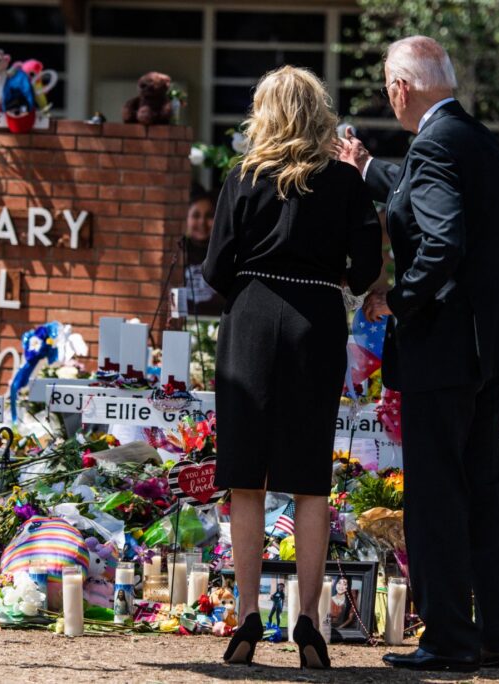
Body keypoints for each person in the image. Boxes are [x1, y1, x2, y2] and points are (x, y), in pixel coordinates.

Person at [338, 36, 499, 672]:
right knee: (482, 493)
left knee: (437, 498)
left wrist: (399, 300)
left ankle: (449, 637)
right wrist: (368, 169)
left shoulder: (435, 144)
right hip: (485, 349)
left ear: (400, 89)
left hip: (443, 349)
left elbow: (440, 239)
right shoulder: (479, 139)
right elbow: (423, 195)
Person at [204, 65, 382, 669]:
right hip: (315, 320)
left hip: (252, 315)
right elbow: (363, 272)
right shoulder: (345, 183)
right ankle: (309, 621)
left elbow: (214, 269)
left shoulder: (244, 177)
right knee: (309, 478)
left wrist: (253, 283)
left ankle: (248, 615)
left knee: (246, 475)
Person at [182, 188, 223, 316]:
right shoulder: (177, 253)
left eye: (209, 216)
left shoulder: (224, 253)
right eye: (196, 216)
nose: (202, 222)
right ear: (186, 219)